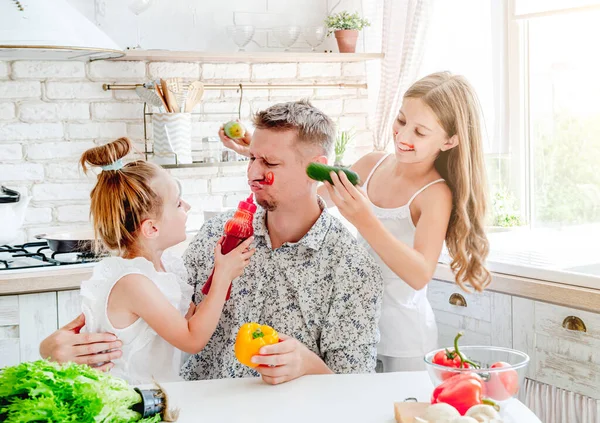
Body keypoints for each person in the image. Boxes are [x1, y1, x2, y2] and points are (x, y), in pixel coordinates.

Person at [40, 101, 383, 385]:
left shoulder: (350, 266)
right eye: (251, 158)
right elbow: (142, 306)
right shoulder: (217, 236)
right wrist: (53, 347)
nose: (253, 173)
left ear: (317, 169)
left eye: (270, 163)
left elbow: (355, 388)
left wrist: (308, 363)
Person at [220, 72, 491, 372]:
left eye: (420, 132)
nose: (403, 137)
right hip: (351, 324)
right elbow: (306, 188)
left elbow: (419, 274)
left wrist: (365, 220)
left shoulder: (435, 194)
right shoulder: (373, 164)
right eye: (401, 121)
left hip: (400, 339)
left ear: (450, 140)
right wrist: (263, 156)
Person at [72, 137, 254, 384]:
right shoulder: (133, 282)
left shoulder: (165, 267)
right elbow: (192, 340)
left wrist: (220, 270)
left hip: (160, 396)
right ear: (152, 229)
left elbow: (189, 321)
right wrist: (222, 277)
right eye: (178, 203)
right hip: (128, 403)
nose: (187, 207)